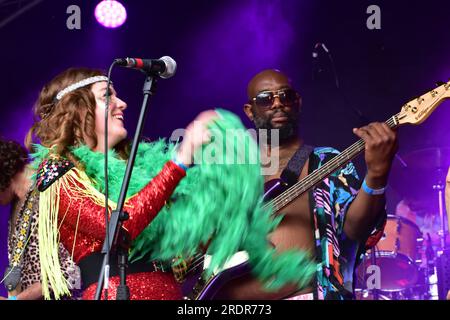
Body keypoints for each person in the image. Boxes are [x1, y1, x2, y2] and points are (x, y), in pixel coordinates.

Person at [25, 67, 216, 300]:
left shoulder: (142, 168)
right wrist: (180, 160)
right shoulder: (57, 172)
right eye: (107, 95)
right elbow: (118, 227)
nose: (123, 103)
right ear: (77, 109)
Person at [216, 69, 396, 300]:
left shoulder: (326, 162)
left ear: (298, 102)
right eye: (265, 99)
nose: (278, 104)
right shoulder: (232, 174)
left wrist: (377, 175)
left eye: (286, 96)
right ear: (250, 111)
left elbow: (354, 232)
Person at [0, 137, 80, 300]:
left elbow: (75, 268)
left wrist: (21, 298)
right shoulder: (16, 204)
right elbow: (15, 267)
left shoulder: (51, 182)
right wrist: (11, 296)